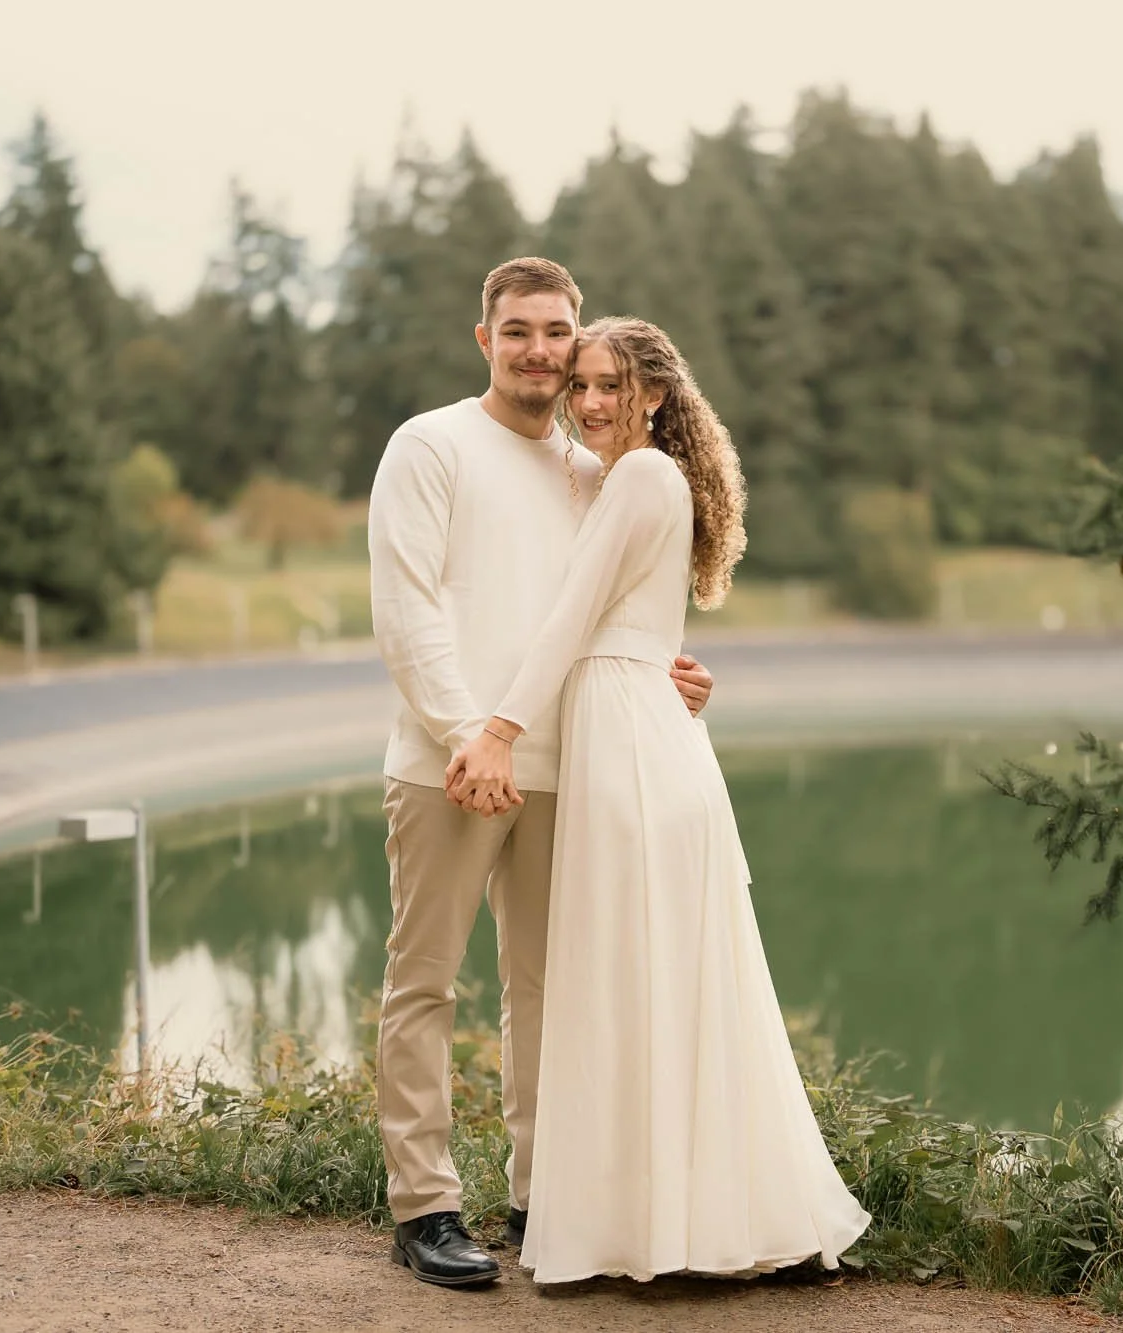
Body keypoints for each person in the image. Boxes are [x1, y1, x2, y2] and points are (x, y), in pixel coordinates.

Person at [448, 316, 872, 1283]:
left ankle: (657, 1230)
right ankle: (660, 1223)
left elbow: (571, 617)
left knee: (631, 981)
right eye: (581, 385)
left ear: (655, 396)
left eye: (612, 386)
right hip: (639, 726)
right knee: (651, 986)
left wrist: (500, 730)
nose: (590, 401)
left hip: (631, 748)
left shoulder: (641, 475)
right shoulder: (623, 476)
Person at [368, 260, 717, 1289]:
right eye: (516, 329)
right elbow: (408, 610)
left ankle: (538, 1194)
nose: (538, 349)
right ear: (484, 338)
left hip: (575, 768)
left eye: (555, 332)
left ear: (576, 345)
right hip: (451, 765)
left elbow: (607, 613)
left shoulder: (592, 467)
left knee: (546, 992)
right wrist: (469, 735)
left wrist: (667, 676)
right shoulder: (429, 445)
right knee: (423, 981)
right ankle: (424, 1206)